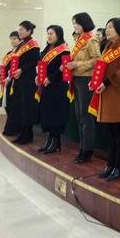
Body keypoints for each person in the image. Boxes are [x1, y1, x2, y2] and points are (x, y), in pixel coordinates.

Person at [91, 18, 120, 181]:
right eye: (107, 27)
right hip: (107, 93)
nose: (107, 30)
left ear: (119, 29)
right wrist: (95, 81)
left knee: (119, 133)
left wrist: (106, 82)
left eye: (110, 27)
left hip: (117, 94)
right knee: (111, 133)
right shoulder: (109, 46)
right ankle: (110, 164)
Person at [67, 12, 100, 163]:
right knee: (79, 115)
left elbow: (97, 60)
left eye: (77, 23)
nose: (75, 26)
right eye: (74, 23)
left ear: (84, 23)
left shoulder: (91, 39)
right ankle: (82, 147)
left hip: (86, 79)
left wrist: (77, 64)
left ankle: (88, 149)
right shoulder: (78, 39)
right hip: (76, 78)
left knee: (86, 116)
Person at [36, 25, 70, 154]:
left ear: (58, 35)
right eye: (48, 33)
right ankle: (50, 140)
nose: (49, 36)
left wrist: (50, 78)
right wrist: (38, 77)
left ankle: (56, 142)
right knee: (48, 114)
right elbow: (41, 65)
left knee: (56, 115)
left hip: (58, 87)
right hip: (46, 87)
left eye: (51, 33)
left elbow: (64, 70)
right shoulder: (47, 49)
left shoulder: (64, 50)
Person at [10, 21, 41, 145]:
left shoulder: (33, 45)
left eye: (22, 30)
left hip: (28, 80)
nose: (19, 32)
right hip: (19, 80)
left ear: (29, 31)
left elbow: (35, 61)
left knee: (27, 107)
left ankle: (28, 134)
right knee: (21, 106)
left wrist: (21, 69)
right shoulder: (21, 44)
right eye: (19, 29)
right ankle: (23, 133)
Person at [1, 31, 21, 136]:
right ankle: (12, 126)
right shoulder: (9, 53)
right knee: (7, 105)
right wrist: (0, 77)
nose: (12, 41)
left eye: (15, 39)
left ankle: (13, 128)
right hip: (5, 83)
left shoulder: (20, 53)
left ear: (20, 40)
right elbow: (4, 67)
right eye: (11, 39)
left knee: (13, 106)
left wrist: (9, 78)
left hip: (13, 82)